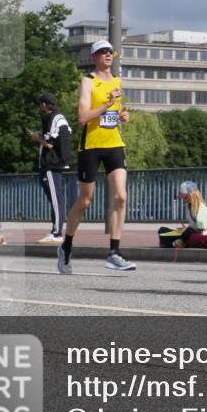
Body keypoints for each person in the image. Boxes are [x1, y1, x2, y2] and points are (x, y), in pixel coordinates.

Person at [57, 40, 134, 274]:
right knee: (85, 201)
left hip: (114, 145)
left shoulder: (118, 81)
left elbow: (115, 111)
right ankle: (66, 246)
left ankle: (114, 252)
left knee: (121, 197)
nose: (108, 54)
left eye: (110, 51)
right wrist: (107, 105)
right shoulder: (88, 82)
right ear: (94, 57)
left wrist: (121, 114)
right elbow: (82, 117)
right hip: (91, 146)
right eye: (103, 52)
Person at [31, 93, 72, 245]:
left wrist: (37, 138)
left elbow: (50, 144)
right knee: (57, 199)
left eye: (40, 104)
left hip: (51, 164)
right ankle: (56, 230)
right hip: (58, 163)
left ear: (44, 105)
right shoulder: (60, 118)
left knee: (56, 200)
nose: (39, 107)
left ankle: (56, 233)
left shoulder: (52, 118)